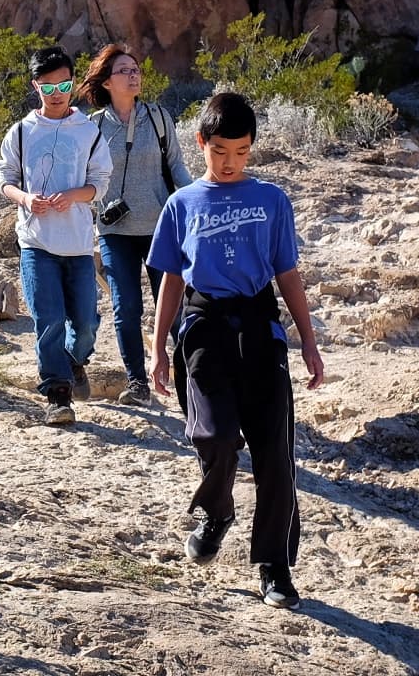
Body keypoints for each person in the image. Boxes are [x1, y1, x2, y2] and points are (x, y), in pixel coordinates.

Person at [147, 91, 324, 610]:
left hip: (260, 327)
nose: (230, 163)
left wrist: (308, 340)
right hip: (202, 330)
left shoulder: (271, 199)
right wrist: (157, 348)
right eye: (221, 151)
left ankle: (274, 566)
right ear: (201, 143)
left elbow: (287, 272)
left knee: (275, 453)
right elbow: (171, 282)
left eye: (242, 152)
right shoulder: (181, 205)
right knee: (216, 436)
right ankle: (217, 511)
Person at [0, 45, 113, 428]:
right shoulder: (21, 132)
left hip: (78, 244)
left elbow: (100, 182)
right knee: (48, 320)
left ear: (73, 84)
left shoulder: (88, 131)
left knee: (86, 324)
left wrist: (74, 196)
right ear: (36, 87)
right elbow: (6, 180)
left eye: (63, 84)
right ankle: (57, 395)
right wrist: (27, 199)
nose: (57, 93)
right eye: (48, 87)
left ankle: (75, 360)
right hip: (36, 243)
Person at [79, 43, 194, 407]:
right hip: (115, 233)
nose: (133, 75)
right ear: (107, 83)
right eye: (124, 71)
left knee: (173, 309)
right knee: (126, 307)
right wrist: (93, 208)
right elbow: (83, 176)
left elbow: (175, 165)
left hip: (161, 229)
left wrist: (194, 204)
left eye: (136, 69)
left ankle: (189, 383)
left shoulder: (158, 118)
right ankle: (137, 382)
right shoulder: (93, 127)